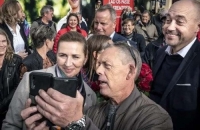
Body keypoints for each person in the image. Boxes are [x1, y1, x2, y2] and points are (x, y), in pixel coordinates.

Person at [19, 42, 173, 130]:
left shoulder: (156, 118)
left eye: (107, 65)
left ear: (130, 71)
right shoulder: (93, 111)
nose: (98, 70)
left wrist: (77, 123)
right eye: (99, 64)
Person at [2, 31, 97, 130]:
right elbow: (9, 125)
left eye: (75, 57)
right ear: (56, 54)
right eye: (63, 55)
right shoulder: (29, 80)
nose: (68, 63)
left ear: (85, 58)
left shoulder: (91, 96)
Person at [149, 0, 200, 130]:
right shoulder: (160, 53)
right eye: (167, 20)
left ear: (197, 26)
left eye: (179, 22)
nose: (170, 27)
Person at [0, 29, 22, 128]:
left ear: (7, 42)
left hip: (9, 112)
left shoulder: (16, 60)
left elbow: (18, 87)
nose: (1, 45)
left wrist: (2, 105)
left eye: (3, 41)